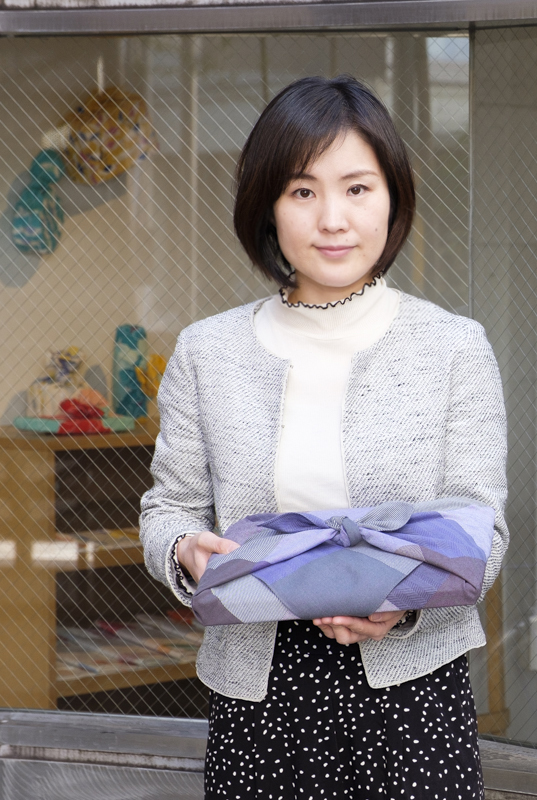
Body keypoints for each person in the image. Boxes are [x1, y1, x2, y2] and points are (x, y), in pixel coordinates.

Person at [139, 75, 508, 800]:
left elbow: (482, 531)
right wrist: (184, 549)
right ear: (268, 206)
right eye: (303, 191)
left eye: (357, 189)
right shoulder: (208, 352)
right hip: (260, 696)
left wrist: (403, 604)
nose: (333, 219)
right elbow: (168, 510)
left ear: (392, 197)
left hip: (414, 692)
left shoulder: (453, 348)